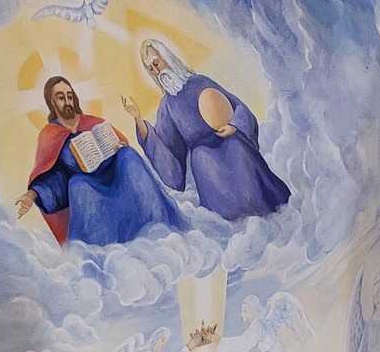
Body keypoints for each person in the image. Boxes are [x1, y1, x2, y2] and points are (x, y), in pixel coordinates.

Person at [123, 41, 290, 225]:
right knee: (202, 158)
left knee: (238, 150)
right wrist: (138, 120)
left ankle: (264, 213)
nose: (156, 71)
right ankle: (233, 223)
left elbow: (238, 107)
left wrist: (234, 126)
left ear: (167, 58)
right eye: (151, 69)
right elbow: (169, 152)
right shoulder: (167, 106)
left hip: (229, 140)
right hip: (203, 157)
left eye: (157, 63)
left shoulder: (200, 82)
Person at [17, 76, 183, 248]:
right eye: (61, 97)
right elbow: (54, 175)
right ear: (51, 102)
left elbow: (118, 143)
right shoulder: (50, 135)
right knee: (77, 185)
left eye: (69, 95)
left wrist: (117, 147)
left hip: (114, 174)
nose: (67, 101)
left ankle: (158, 227)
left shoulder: (92, 122)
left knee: (128, 155)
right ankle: (99, 251)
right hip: (88, 184)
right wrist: (31, 195)